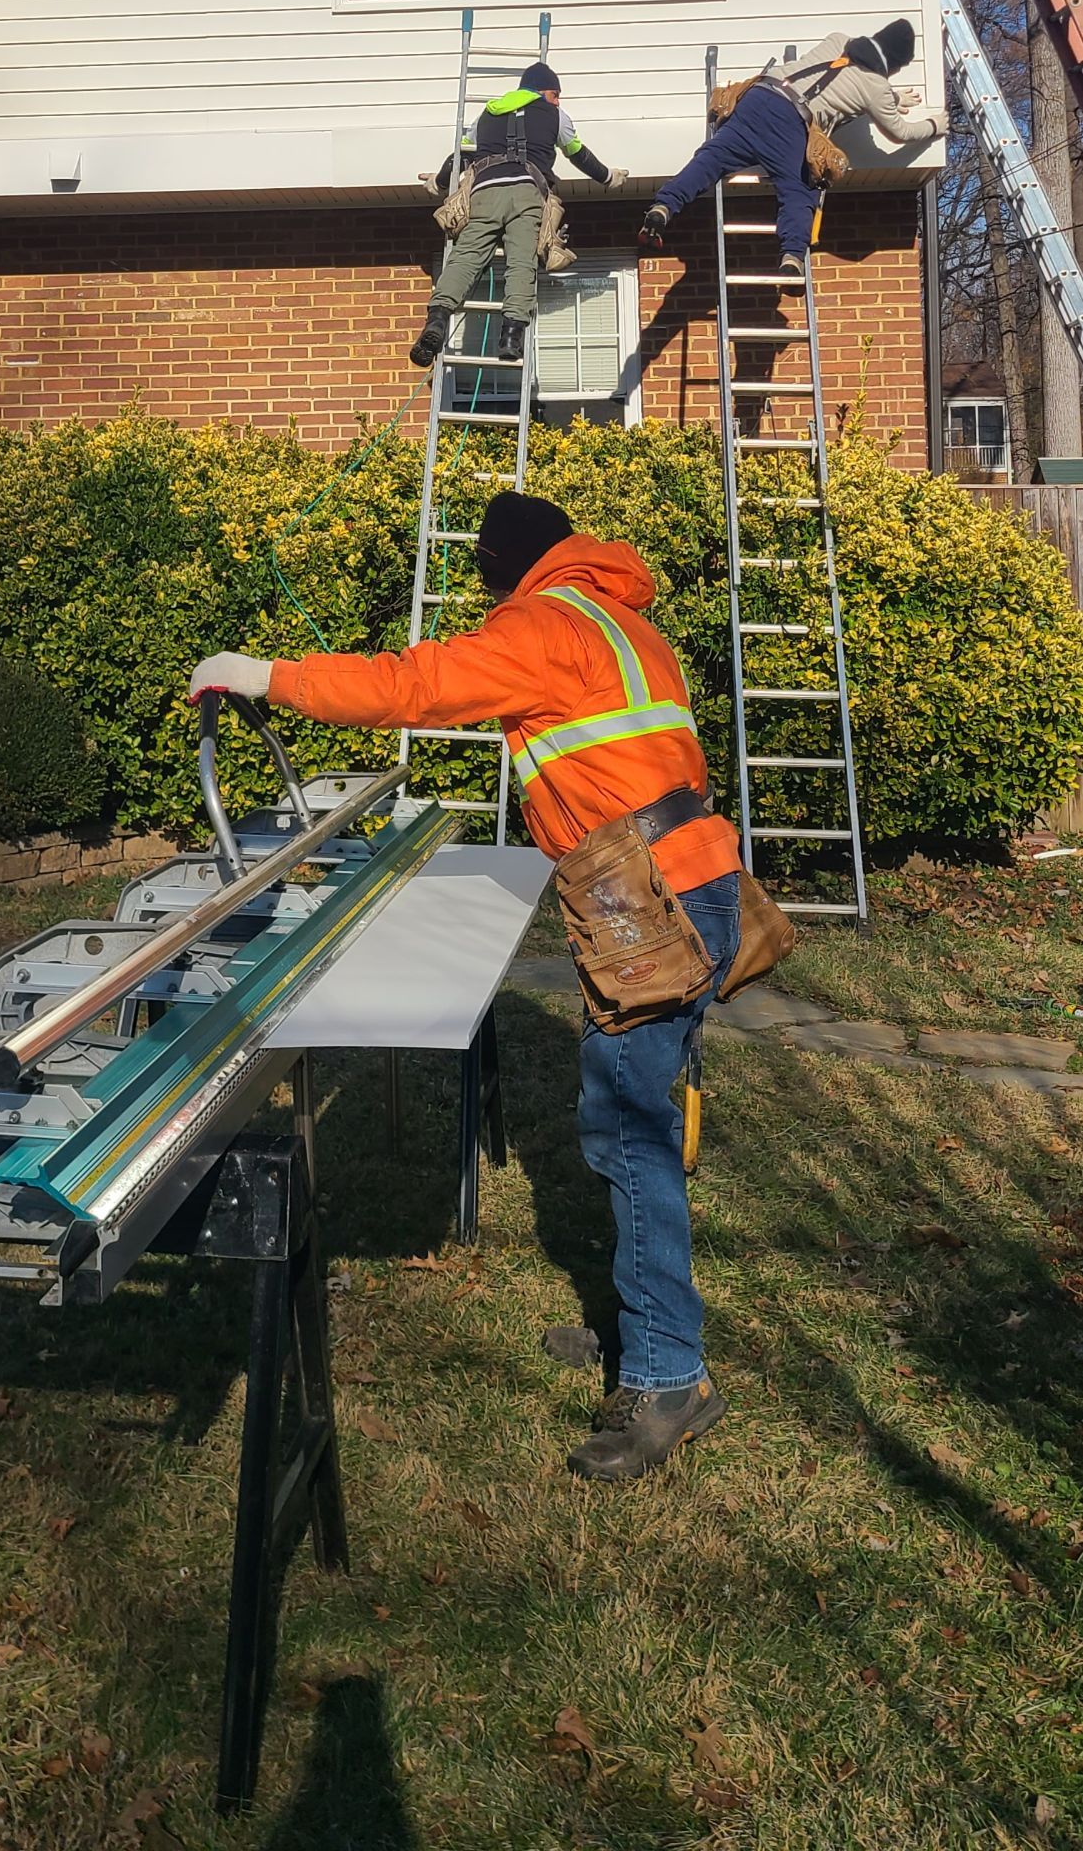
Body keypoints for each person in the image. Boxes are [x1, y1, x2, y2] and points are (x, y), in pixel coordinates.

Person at [189, 488, 741, 1484]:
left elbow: (412, 688)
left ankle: (670, 1377)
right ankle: (642, 1330)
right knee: (644, 1113)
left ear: (504, 566)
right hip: (691, 885)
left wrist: (261, 674)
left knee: (628, 1129)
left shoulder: (539, 624)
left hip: (648, 905)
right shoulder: (620, 619)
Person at [638, 19, 947, 279]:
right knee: (800, 190)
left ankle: (662, 208)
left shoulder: (838, 40)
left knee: (710, 160)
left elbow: (837, 78)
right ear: (893, 64)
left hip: (758, 96)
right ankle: (792, 258)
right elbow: (899, 131)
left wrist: (890, 97)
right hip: (789, 123)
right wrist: (934, 126)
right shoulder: (876, 87)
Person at [412, 62, 618, 369]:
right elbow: (576, 152)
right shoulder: (556, 116)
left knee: (465, 257)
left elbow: (460, 155)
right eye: (555, 93)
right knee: (521, 261)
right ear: (541, 91)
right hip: (527, 190)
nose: (558, 100)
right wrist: (608, 177)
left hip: (484, 191)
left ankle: (437, 320)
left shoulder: (487, 114)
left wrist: (438, 182)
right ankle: (511, 336)